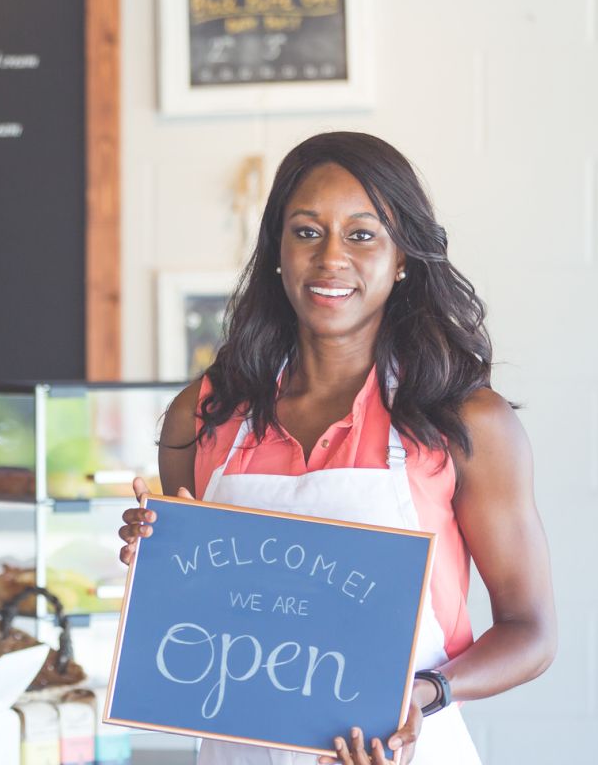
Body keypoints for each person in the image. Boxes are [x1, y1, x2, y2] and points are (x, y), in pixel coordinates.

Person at [118, 132, 555, 765]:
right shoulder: (203, 416)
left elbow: (532, 633)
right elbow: (203, 625)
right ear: (276, 251)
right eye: (306, 232)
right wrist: (157, 562)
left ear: (402, 256)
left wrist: (425, 693)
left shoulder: (466, 422)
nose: (330, 259)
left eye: (361, 235)